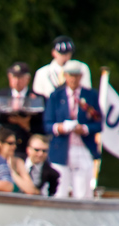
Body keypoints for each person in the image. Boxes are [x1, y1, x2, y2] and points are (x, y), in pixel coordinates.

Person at [43, 61, 102, 198]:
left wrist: (85, 128)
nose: (73, 79)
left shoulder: (90, 96)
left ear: (81, 76)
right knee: (59, 190)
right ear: (65, 76)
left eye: (76, 76)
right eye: (70, 75)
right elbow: (47, 124)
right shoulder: (56, 96)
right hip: (61, 148)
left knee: (82, 192)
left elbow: (99, 123)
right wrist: (60, 128)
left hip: (82, 147)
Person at [0, 62, 45, 160]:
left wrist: (27, 125)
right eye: (14, 77)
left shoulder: (37, 98)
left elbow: (44, 126)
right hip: (3, 147)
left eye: (20, 78)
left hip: (27, 148)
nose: (16, 81)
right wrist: (3, 126)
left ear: (28, 79)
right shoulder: (1, 95)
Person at [0, 128, 38, 194]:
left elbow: (31, 190)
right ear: (0, 144)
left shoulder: (18, 162)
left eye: (15, 143)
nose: (14, 146)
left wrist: (12, 172)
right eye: (10, 143)